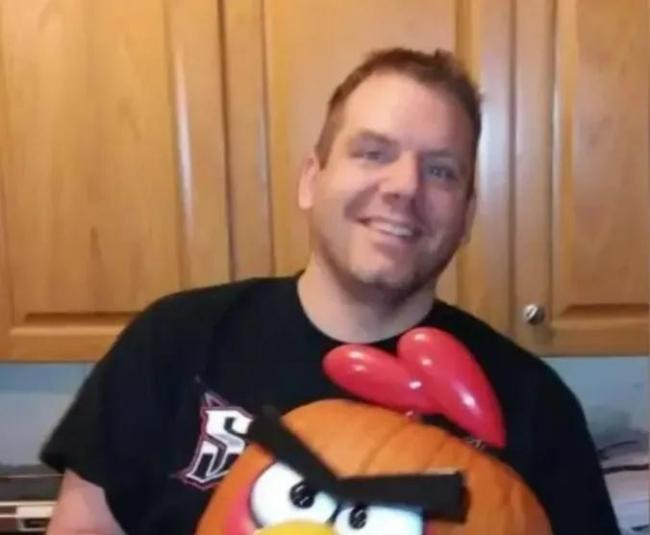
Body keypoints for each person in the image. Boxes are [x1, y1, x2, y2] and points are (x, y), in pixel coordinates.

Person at [42, 48, 619, 534]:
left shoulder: (533, 407)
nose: (404, 186)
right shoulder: (172, 344)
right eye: (373, 153)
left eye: (441, 170)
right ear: (311, 180)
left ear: (466, 217)